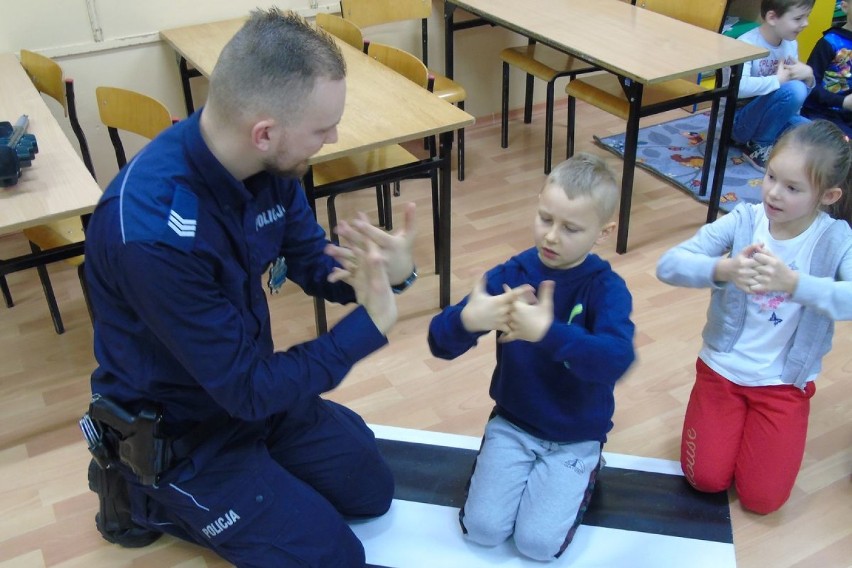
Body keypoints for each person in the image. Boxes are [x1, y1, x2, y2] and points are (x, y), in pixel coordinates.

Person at [82, 9, 419, 567]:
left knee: (370, 490)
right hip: (186, 431)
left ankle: (263, 479)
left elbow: (312, 263)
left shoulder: (271, 171)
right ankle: (142, 498)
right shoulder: (151, 234)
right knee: (335, 557)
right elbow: (249, 389)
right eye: (321, 129)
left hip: (246, 394)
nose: (333, 138)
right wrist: (368, 328)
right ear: (265, 132)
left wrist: (388, 273)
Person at [427, 153, 636, 561]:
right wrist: (466, 320)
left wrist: (548, 334)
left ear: (603, 231)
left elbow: (616, 359)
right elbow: (439, 343)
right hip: (514, 422)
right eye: (545, 218)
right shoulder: (515, 272)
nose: (552, 237)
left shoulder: (607, 288)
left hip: (576, 436)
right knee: (482, 531)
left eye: (571, 228)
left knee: (537, 546)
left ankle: (590, 470)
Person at [656, 119, 852, 514]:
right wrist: (722, 271)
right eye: (770, 177)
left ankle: (752, 432)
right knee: (705, 479)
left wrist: (794, 283)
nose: (774, 194)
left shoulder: (836, 238)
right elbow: (669, 265)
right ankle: (728, 424)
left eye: (793, 188)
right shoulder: (745, 219)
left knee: (762, 501)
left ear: (828, 195)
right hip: (721, 372)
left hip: (783, 386)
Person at [731, 0, 816, 172]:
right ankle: (759, 146)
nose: (805, 23)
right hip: (739, 121)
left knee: (814, 133)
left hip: (769, 117)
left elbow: (792, 100)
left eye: (807, 17)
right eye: (798, 18)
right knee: (795, 89)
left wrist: (808, 77)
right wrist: (777, 81)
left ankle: (767, 139)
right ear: (772, 17)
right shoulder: (746, 43)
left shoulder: (790, 44)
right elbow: (737, 88)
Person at [802, 0, 852, 137]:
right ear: (845, 6)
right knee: (842, 148)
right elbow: (809, 86)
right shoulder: (830, 42)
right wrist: (843, 102)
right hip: (821, 112)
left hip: (847, 116)